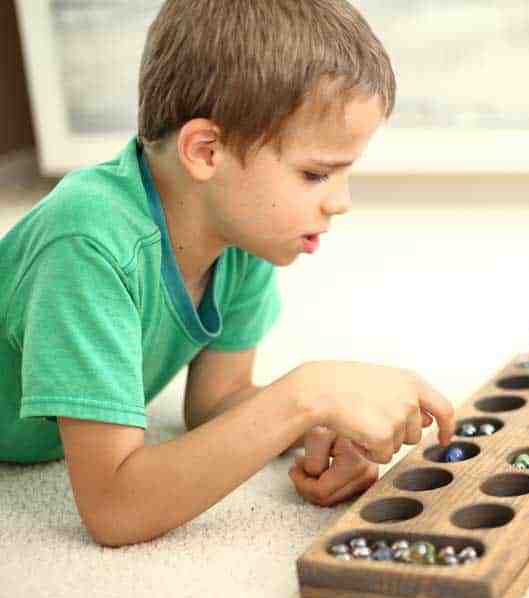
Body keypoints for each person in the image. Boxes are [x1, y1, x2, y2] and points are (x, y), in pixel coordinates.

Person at [0, 0, 455, 547]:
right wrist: (306, 394)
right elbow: (115, 508)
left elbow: (215, 403)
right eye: (315, 173)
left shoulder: (240, 236)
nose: (341, 202)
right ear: (206, 150)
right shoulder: (87, 243)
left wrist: (316, 424)